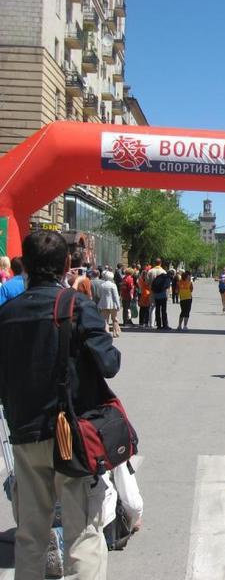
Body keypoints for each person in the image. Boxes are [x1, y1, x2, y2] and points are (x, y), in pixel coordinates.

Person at [0, 230, 121, 579]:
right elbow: (109, 364)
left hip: (24, 434)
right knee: (82, 532)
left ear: (25, 266)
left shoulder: (6, 313)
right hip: (71, 436)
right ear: (67, 264)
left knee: (30, 534)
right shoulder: (75, 305)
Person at [97, 270, 121, 338]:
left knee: (105, 320)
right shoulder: (113, 285)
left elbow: (99, 294)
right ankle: (115, 333)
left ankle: (106, 333)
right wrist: (118, 305)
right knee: (114, 319)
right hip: (113, 304)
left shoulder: (102, 285)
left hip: (103, 304)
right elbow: (116, 296)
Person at [147, 258, 170, 330]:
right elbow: (167, 284)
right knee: (163, 310)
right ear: (161, 263)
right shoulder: (163, 271)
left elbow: (147, 282)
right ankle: (165, 324)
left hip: (153, 292)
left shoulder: (150, 271)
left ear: (154, 263)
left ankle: (154, 324)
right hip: (162, 293)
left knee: (154, 308)